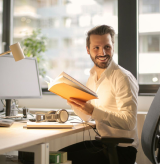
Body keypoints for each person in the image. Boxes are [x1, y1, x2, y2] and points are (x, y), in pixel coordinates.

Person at [59, 25, 139, 164]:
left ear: (113, 46)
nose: (102, 52)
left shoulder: (122, 77)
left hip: (121, 151)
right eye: (96, 47)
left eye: (107, 47)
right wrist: (73, 101)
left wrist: (93, 110)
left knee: (59, 160)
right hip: (104, 145)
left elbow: (129, 122)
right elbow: (87, 117)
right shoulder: (92, 76)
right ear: (88, 50)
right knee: (58, 156)